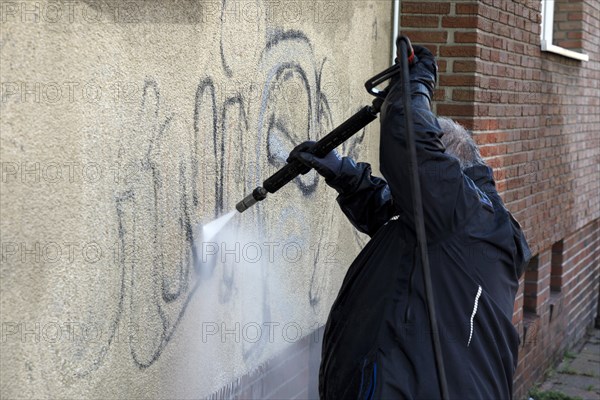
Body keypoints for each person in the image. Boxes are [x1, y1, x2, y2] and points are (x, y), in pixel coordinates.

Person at [287, 45, 531, 399]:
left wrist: (415, 84)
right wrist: (346, 175)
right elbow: (394, 219)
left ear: (449, 170)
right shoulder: (453, 224)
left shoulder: (467, 218)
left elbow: (411, 146)